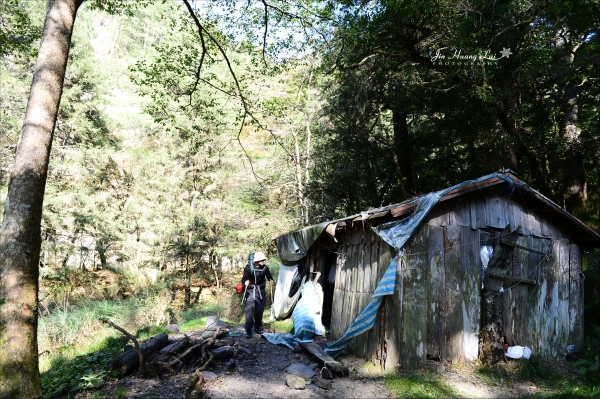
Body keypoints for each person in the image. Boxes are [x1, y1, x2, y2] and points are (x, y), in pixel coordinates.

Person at [241, 251, 274, 338]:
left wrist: (271, 280)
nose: (263, 261)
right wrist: (245, 282)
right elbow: (244, 279)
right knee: (249, 311)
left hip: (260, 291)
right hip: (251, 291)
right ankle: (248, 330)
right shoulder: (249, 267)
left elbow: (269, 277)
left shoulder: (265, 268)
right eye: (261, 260)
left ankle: (257, 327)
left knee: (259, 311)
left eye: (263, 260)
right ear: (256, 261)